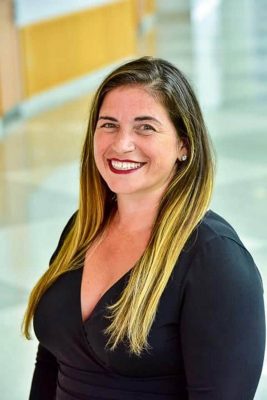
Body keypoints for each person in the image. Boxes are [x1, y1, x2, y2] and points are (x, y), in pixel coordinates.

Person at [23, 56, 265, 400]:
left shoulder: (215, 260)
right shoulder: (82, 228)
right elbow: (50, 364)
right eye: (108, 125)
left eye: (145, 127)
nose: (121, 144)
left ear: (184, 144)